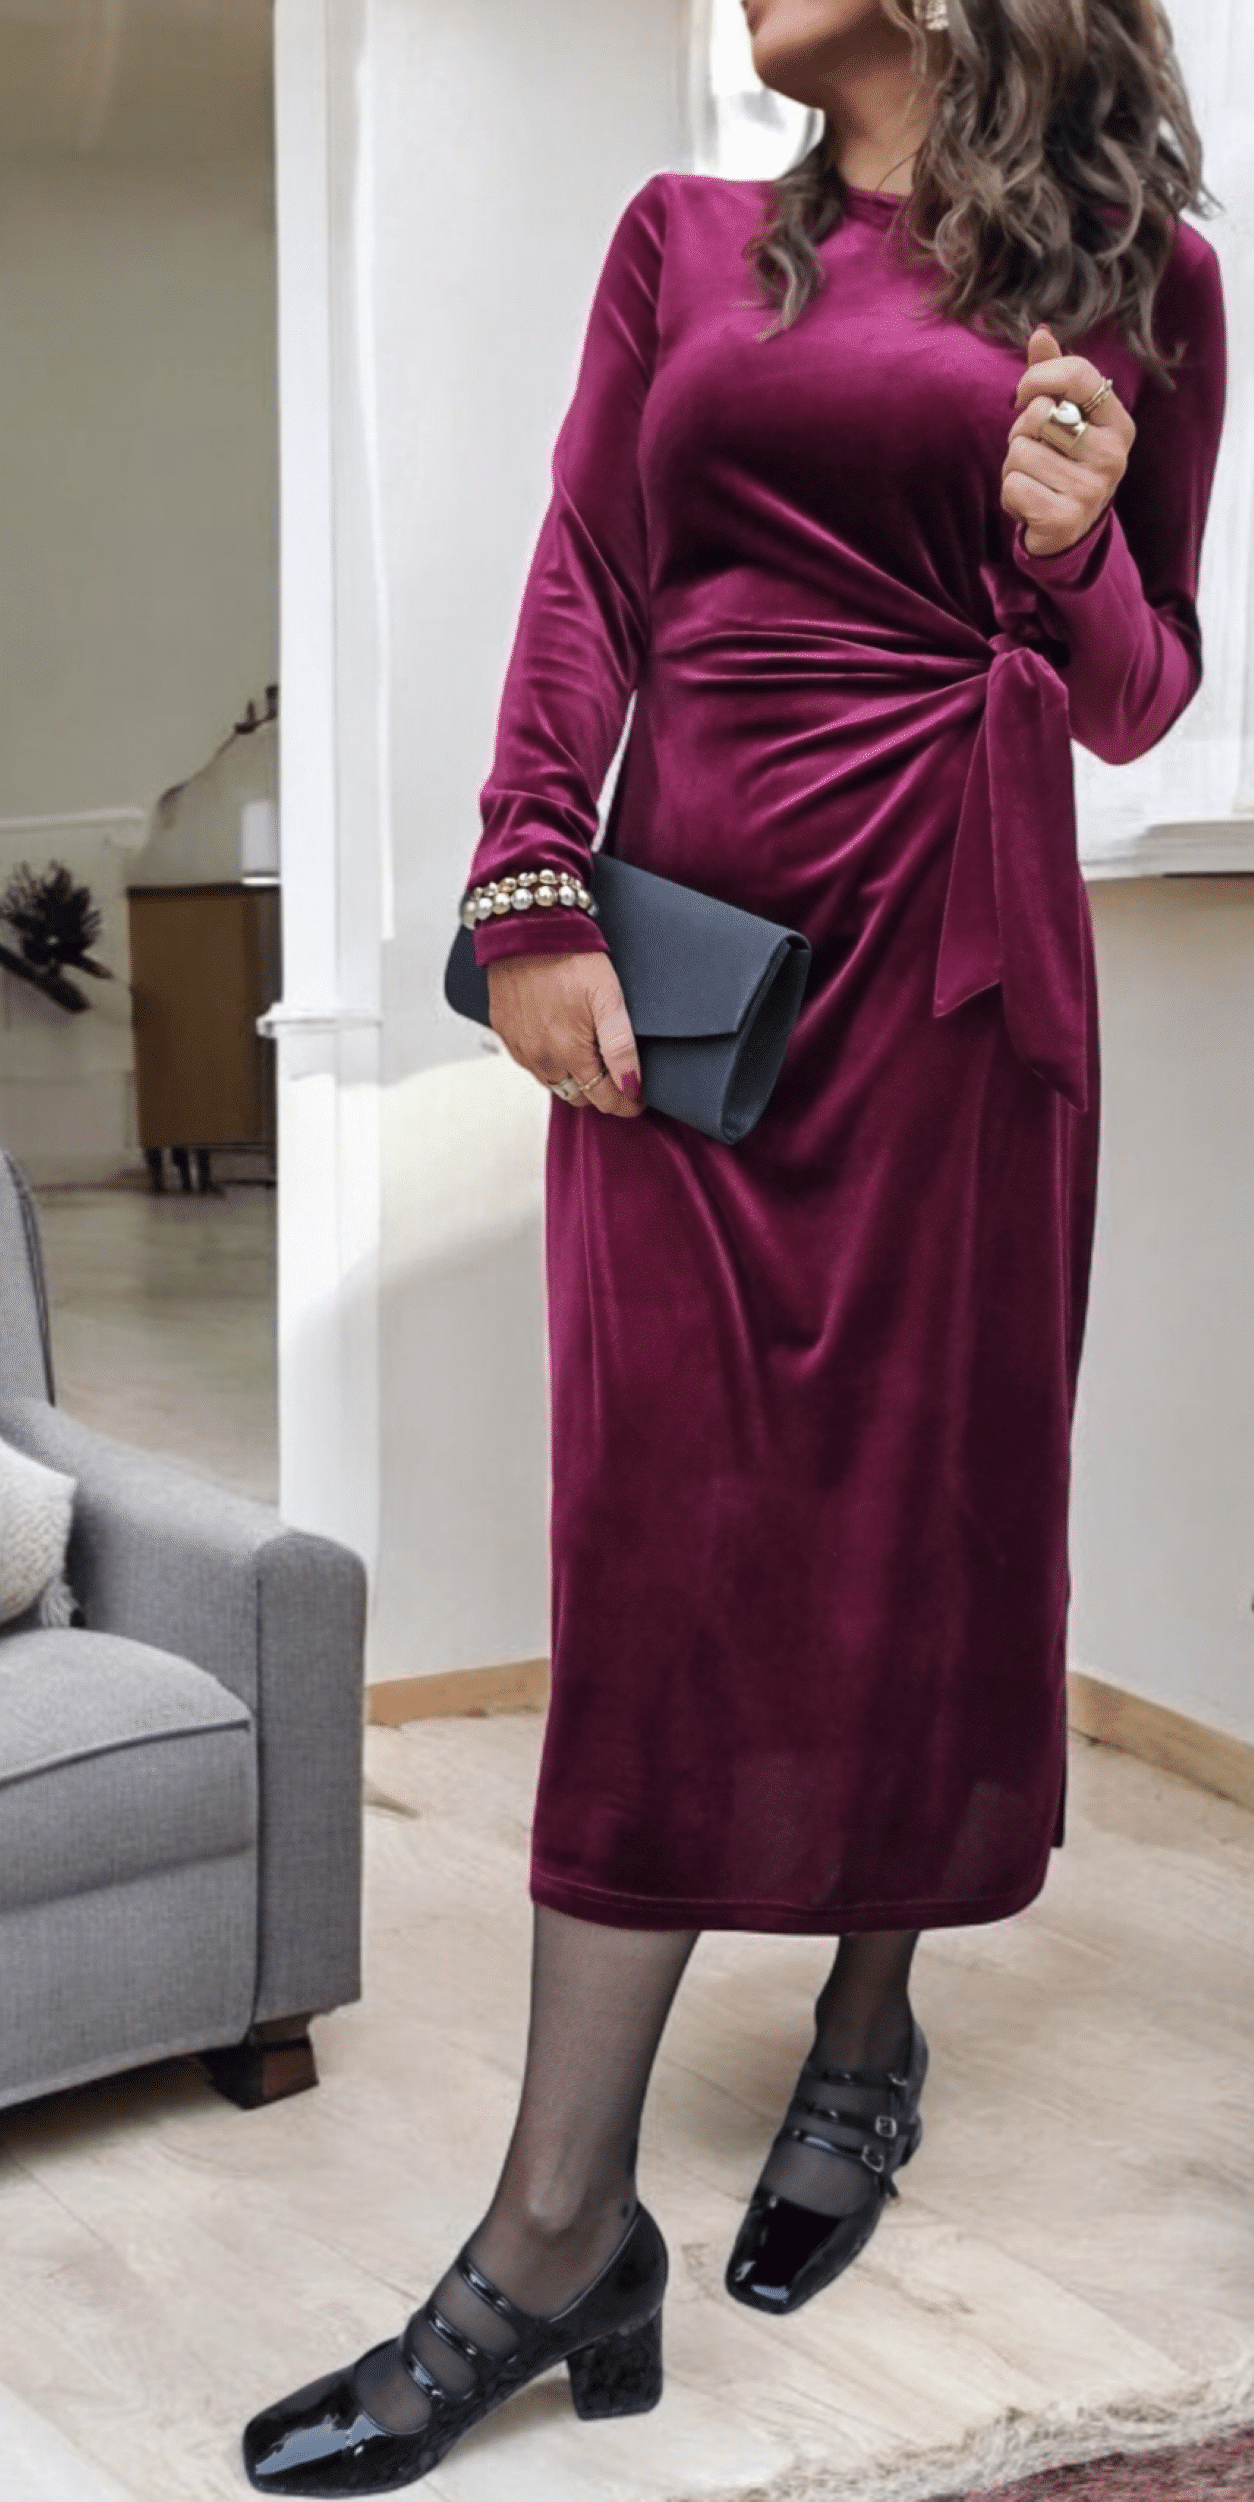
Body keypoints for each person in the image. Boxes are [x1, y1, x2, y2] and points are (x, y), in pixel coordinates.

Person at [243, 1, 1225, 2490]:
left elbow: (1139, 699)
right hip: (681, 990)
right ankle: (569, 2230)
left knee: (928, 1510)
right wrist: (530, 881)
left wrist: (1071, 553)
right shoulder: (684, 243)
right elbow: (590, 576)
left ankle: (864, 2036)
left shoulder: (1149, 279)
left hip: (957, 990)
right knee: (665, 1554)